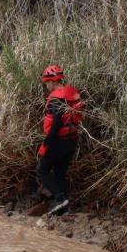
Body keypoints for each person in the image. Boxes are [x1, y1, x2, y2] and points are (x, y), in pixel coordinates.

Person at [37, 64, 83, 215]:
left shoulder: (56, 99)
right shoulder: (71, 93)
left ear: (51, 81)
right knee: (59, 173)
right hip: (72, 140)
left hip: (58, 141)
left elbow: (56, 124)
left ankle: (60, 198)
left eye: (47, 84)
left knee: (42, 170)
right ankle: (64, 210)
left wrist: (45, 144)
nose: (47, 87)